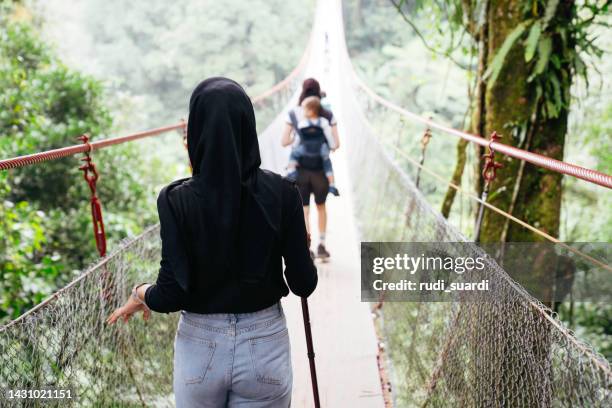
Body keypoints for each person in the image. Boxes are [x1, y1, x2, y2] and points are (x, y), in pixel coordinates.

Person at [107, 77, 318, 408]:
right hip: (265, 346)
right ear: (248, 128)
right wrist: (300, 247)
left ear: (195, 133)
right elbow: (303, 284)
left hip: (200, 350)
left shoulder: (174, 201)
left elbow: (170, 295)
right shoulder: (284, 194)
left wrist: (139, 293)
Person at [281, 78, 340, 260]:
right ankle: (322, 245)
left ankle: (307, 246)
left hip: (301, 172)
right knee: (321, 207)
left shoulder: (293, 114)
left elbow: (284, 142)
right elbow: (336, 144)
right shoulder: (327, 115)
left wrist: (297, 139)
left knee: (304, 209)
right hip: (320, 171)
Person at [286, 95, 339, 197]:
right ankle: (332, 185)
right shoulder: (323, 122)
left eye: (304, 109)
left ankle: (291, 171)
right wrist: (332, 147)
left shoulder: (302, 124)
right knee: (327, 164)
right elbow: (329, 137)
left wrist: (295, 147)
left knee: (293, 155)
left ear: (311, 110)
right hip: (320, 150)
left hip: (305, 150)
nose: (302, 111)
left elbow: (297, 140)